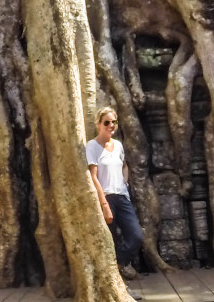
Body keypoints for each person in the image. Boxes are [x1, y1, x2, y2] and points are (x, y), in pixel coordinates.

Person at [87, 106, 144, 298]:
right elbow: (93, 177)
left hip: (122, 197)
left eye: (114, 122)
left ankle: (116, 269)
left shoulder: (118, 145)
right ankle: (119, 289)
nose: (111, 125)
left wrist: (125, 184)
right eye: (106, 122)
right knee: (109, 243)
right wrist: (103, 204)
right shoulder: (92, 146)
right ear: (98, 124)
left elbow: (124, 165)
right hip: (106, 198)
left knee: (136, 236)